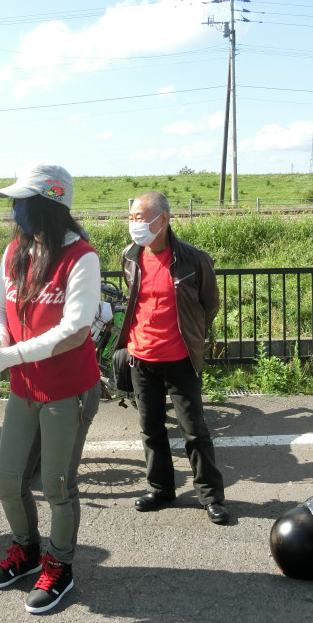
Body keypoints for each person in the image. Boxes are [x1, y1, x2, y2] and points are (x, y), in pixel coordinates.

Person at [0, 162, 101, 615]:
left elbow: (74, 332)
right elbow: (0, 310)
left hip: (68, 389)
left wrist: (4, 359)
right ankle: (26, 549)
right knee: (7, 481)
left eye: (23, 201)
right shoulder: (15, 251)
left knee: (57, 486)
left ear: (50, 204)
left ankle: (60, 565)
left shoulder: (82, 257)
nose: (16, 210)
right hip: (25, 387)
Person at [118, 191, 228, 525]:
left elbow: (209, 305)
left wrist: (192, 336)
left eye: (140, 217)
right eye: (131, 217)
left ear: (162, 219)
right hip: (140, 358)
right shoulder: (130, 256)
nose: (134, 224)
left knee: (194, 431)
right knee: (151, 430)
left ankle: (211, 497)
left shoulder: (194, 259)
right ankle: (161, 489)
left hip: (180, 359)